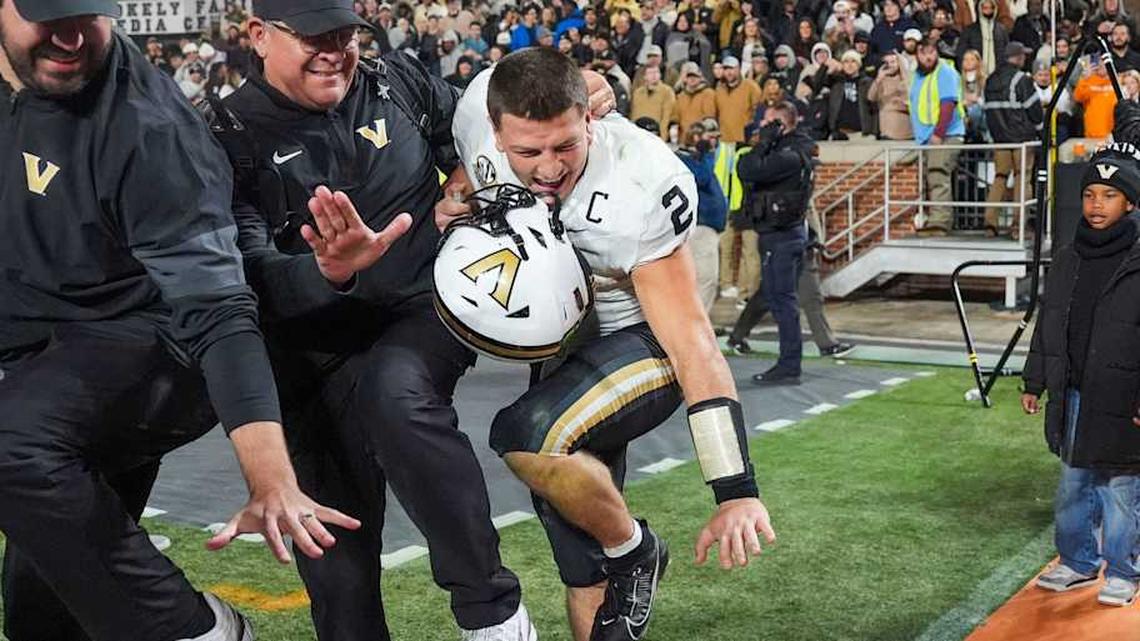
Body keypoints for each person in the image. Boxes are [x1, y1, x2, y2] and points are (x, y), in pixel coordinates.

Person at [0, 1, 359, 640]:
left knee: (12, 440)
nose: (71, 36)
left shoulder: (149, 129)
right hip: (42, 354)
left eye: (86, 12)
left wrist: (271, 479)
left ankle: (199, 631)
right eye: (45, 15)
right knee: (45, 613)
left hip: (157, 347)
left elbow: (219, 309)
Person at [207, 0, 546, 638]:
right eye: (312, 35)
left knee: (397, 396)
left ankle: (493, 613)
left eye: (345, 33)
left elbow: (479, 131)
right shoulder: (223, 134)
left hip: (416, 315)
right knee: (340, 585)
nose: (334, 50)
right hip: (306, 356)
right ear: (258, 36)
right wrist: (328, 270)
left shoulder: (398, 79)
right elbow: (244, 273)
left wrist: (464, 180)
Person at [443, 48, 776, 641]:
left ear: (589, 119)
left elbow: (693, 341)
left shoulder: (638, 184)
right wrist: (456, 200)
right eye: (528, 151)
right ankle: (622, 559)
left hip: (642, 342)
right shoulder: (476, 113)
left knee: (525, 435)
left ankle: (638, 551)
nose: (548, 168)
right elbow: (469, 173)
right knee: (581, 566)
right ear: (494, 131)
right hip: (568, 349)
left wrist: (735, 491)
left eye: (565, 146)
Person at [1023, 147, 1140, 608]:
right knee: (1073, 482)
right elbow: (1047, 323)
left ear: (1130, 203)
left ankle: (1125, 568)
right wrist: (1035, 381)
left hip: (1123, 394)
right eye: (1090, 194)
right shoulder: (1069, 257)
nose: (1096, 204)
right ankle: (1077, 561)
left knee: (1120, 487)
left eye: (1109, 195)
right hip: (1071, 391)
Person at [727, 124, 854, 360]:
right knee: (769, 293)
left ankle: (826, 343)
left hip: (795, 233)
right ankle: (740, 336)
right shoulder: (762, 159)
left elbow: (803, 204)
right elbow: (749, 172)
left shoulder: (792, 158)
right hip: (773, 231)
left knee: (810, 292)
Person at [736, 101, 816, 383]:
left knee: (783, 301)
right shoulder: (791, 149)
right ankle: (788, 362)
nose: (761, 127)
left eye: (768, 123)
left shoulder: (789, 155)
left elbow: (748, 168)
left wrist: (763, 144)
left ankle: (789, 364)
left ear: (781, 125)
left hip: (783, 236)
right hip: (781, 235)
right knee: (777, 298)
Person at [983, 41, 1042, 238]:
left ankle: (990, 224)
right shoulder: (1021, 79)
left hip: (1000, 139)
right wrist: (1040, 129)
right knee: (1022, 179)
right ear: (1017, 57)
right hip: (1022, 139)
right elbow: (1034, 111)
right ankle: (1018, 227)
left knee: (999, 178)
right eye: (1023, 55)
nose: (1025, 58)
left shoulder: (990, 80)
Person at [910, 37, 966, 235]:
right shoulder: (916, 76)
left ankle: (940, 223)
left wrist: (938, 133)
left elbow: (948, 105)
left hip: (945, 134)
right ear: (917, 54)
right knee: (931, 178)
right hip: (926, 137)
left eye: (931, 52)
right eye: (923, 53)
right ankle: (934, 219)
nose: (928, 57)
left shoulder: (945, 72)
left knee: (938, 174)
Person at [677, 122, 728, 311]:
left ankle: (698, 326)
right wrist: (705, 152)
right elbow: (702, 177)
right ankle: (696, 328)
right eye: (710, 137)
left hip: (708, 228)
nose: (714, 142)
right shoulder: (683, 158)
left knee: (707, 280)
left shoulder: (699, 157)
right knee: (705, 279)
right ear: (696, 137)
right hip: (699, 227)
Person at [714, 55, 763, 144]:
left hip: (743, 139)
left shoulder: (751, 87)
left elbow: (760, 111)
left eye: (732, 69)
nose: (729, 72)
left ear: (738, 68)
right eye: (726, 69)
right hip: (723, 140)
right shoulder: (719, 89)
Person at [868, 51, 914, 140]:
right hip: (887, 132)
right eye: (887, 63)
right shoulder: (881, 80)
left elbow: (915, 103)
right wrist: (879, 79)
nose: (890, 65)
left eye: (893, 62)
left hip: (908, 131)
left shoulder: (909, 80)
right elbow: (871, 97)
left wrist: (902, 104)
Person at [1073, 56, 1119, 139]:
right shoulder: (1088, 80)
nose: (1101, 66)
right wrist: (1085, 78)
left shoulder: (1118, 80)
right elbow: (1078, 97)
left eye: (1104, 63)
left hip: (1114, 133)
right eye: (1099, 63)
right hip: (1093, 132)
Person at [631, 63, 676, 141]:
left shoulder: (667, 91)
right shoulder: (637, 93)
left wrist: (663, 137)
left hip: (656, 133)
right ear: (644, 76)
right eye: (651, 73)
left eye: (656, 72)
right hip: (639, 134)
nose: (654, 75)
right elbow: (634, 114)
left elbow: (667, 116)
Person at [672, 61, 717, 136]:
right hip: (683, 139)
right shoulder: (680, 96)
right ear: (685, 79)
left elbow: (709, 116)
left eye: (695, 76)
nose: (692, 79)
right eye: (689, 77)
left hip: (701, 139)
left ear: (700, 78)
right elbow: (676, 117)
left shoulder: (708, 93)